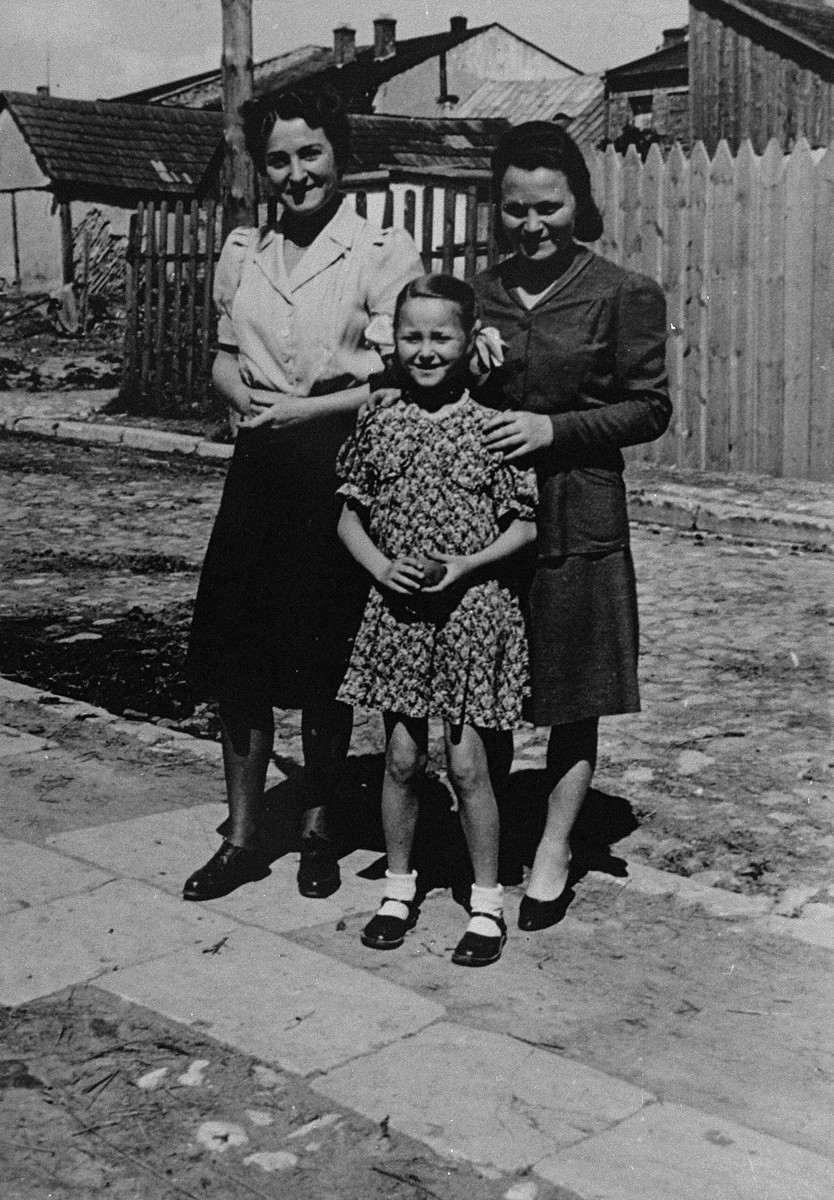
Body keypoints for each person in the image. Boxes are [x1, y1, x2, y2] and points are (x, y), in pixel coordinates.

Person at [183, 88, 422, 903]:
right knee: (239, 656)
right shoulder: (245, 249)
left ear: (339, 155)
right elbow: (221, 354)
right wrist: (238, 398)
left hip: (340, 466)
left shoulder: (381, 250)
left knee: (323, 656)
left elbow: (399, 379)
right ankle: (245, 836)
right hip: (257, 470)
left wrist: (301, 411)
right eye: (279, 159)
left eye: (310, 153)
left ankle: (320, 828)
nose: (296, 173)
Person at [473, 122, 671, 931]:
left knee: (572, 693)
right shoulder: (476, 292)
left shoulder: (623, 291)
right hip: (485, 516)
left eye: (548, 208)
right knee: (478, 686)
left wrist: (554, 431)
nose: (532, 225)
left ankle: (553, 851)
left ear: (578, 203)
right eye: (516, 208)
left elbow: (651, 407)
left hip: (578, 511)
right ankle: (483, 845)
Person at [335, 275, 538, 966]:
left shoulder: (490, 426)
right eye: (412, 337)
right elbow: (348, 516)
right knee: (400, 757)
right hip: (398, 612)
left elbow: (524, 527)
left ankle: (486, 903)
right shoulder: (379, 420)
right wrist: (379, 568)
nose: (425, 351)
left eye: (440, 337)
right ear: (394, 341)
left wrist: (466, 565)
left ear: (468, 340)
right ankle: (398, 889)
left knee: (467, 763)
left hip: (472, 608)